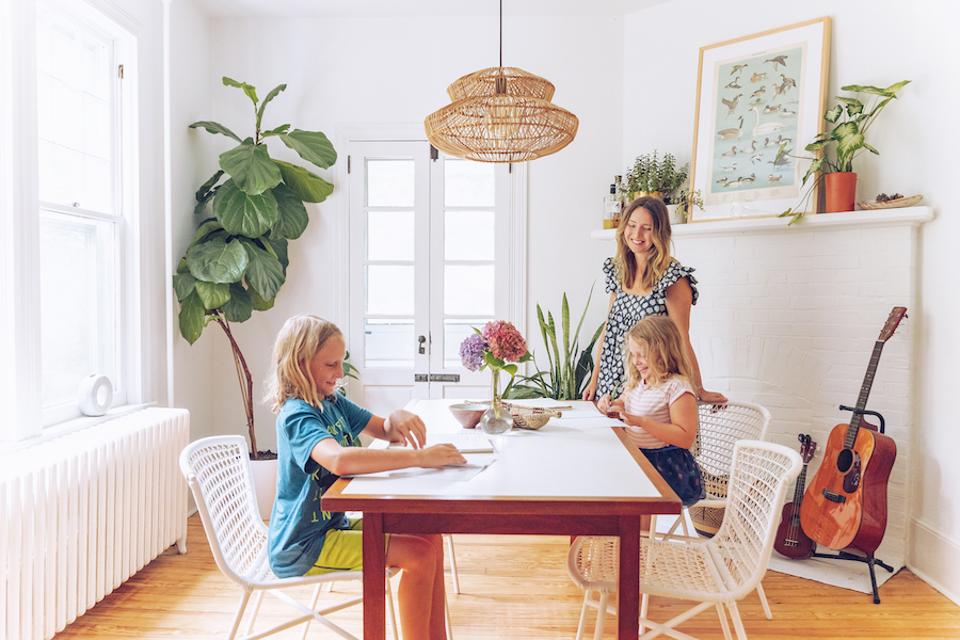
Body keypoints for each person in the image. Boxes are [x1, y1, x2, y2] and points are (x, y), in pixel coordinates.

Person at [265, 315, 465, 640]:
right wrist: (420, 457)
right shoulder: (297, 415)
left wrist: (396, 418)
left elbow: (382, 428)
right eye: (331, 364)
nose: (340, 373)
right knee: (419, 555)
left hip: (331, 527)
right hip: (303, 547)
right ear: (301, 365)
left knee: (430, 537)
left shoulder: (331, 402)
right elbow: (340, 460)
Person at [582, 196, 727, 406]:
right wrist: (594, 379)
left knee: (648, 437)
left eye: (646, 228)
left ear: (659, 233)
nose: (636, 234)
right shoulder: (618, 270)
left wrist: (698, 389)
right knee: (610, 437)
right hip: (610, 378)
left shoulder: (672, 278)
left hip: (652, 381)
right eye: (632, 225)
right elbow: (609, 329)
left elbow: (681, 339)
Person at [600, 316, 705, 505]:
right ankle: (623, 532)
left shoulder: (677, 387)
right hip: (640, 458)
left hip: (666, 467)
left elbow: (685, 437)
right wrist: (611, 405)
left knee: (625, 491)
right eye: (633, 354)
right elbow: (623, 404)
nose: (636, 361)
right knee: (603, 475)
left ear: (663, 352)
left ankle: (640, 534)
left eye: (642, 354)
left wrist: (642, 422)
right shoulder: (639, 382)